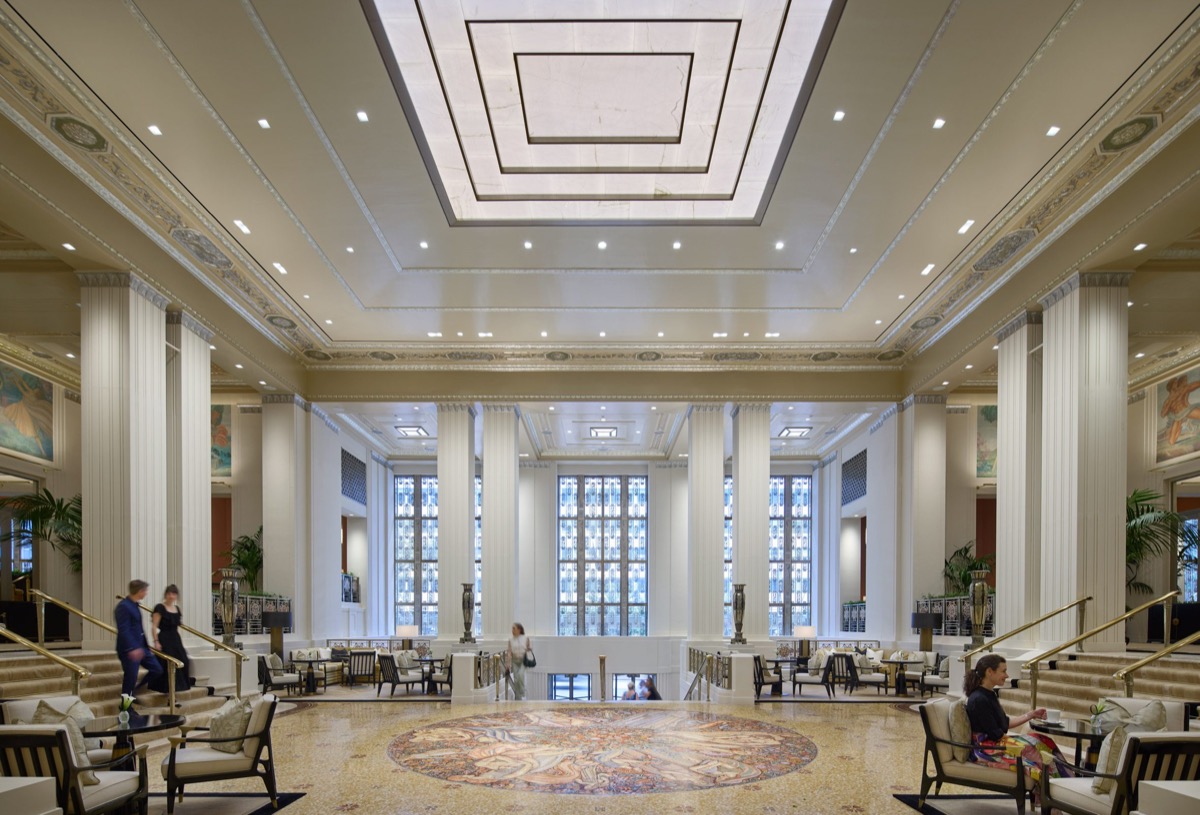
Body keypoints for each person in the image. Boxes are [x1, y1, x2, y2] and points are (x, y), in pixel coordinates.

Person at [964, 654, 1070, 793]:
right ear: (989, 672)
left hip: (996, 742)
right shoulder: (978, 699)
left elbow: (1004, 724)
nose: (1007, 675)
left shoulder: (989, 694)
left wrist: (1031, 714)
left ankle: (1065, 784)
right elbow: (995, 734)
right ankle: (1054, 794)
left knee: (1044, 741)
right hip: (985, 749)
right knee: (1034, 750)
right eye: (1003, 671)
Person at [114, 579, 162, 709]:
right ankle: (125, 707)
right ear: (140, 591)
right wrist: (133, 648)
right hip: (129, 649)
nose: (146, 593)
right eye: (145, 590)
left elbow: (138, 629)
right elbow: (124, 629)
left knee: (157, 669)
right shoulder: (123, 606)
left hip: (141, 648)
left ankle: (134, 692)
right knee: (130, 678)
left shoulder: (134, 605)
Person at [149, 584, 194, 694]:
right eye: (169, 594)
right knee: (169, 664)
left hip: (175, 639)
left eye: (173, 594)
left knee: (184, 661)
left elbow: (178, 623)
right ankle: (170, 694)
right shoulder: (160, 607)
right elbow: (154, 626)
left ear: (176, 596)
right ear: (165, 595)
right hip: (164, 638)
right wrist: (156, 641)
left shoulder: (177, 609)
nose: (171, 596)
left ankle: (176, 690)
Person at [507, 622, 532, 701]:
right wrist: (508, 664)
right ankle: (518, 698)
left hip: (522, 660)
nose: (512, 630)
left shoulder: (525, 638)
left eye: (514, 628)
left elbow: (529, 647)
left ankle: (522, 692)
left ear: (519, 629)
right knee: (516, 679)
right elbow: (509, 652)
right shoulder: (510, 640)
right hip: (514, 661)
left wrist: (529, 648)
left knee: (521, 675)